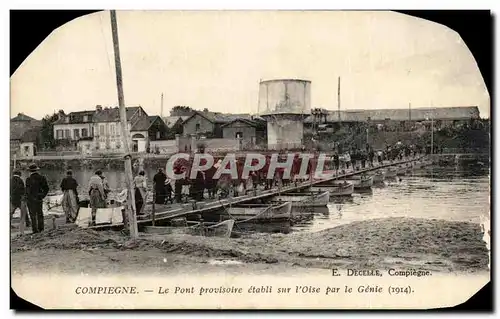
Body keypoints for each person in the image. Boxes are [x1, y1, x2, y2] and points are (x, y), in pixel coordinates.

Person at [25, 164, 49, 233]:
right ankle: (41, 228)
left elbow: (27, 191)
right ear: (36, 170)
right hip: (39, 198)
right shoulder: (42, 177)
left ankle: (35, 230)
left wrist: (29, 198)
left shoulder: (28, 179)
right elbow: (46, 188)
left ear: (30, 171)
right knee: (40, 214)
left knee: (33, 215)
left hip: (31, 199)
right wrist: (42, 196)